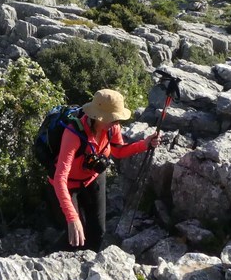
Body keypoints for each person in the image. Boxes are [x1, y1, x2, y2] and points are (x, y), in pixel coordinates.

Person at [49, 88, 159, 251]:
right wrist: (72, 217)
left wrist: (144, 144)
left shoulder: (112, 128)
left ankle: (90, 265)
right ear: (97, 117)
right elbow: (60, 179)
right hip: (68, 185)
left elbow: (118, 150)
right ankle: (56, 259)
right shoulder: (73, 134)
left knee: (98, 231)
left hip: (92, 178)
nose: (116, 122)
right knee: (75, 234)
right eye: (113, 119)